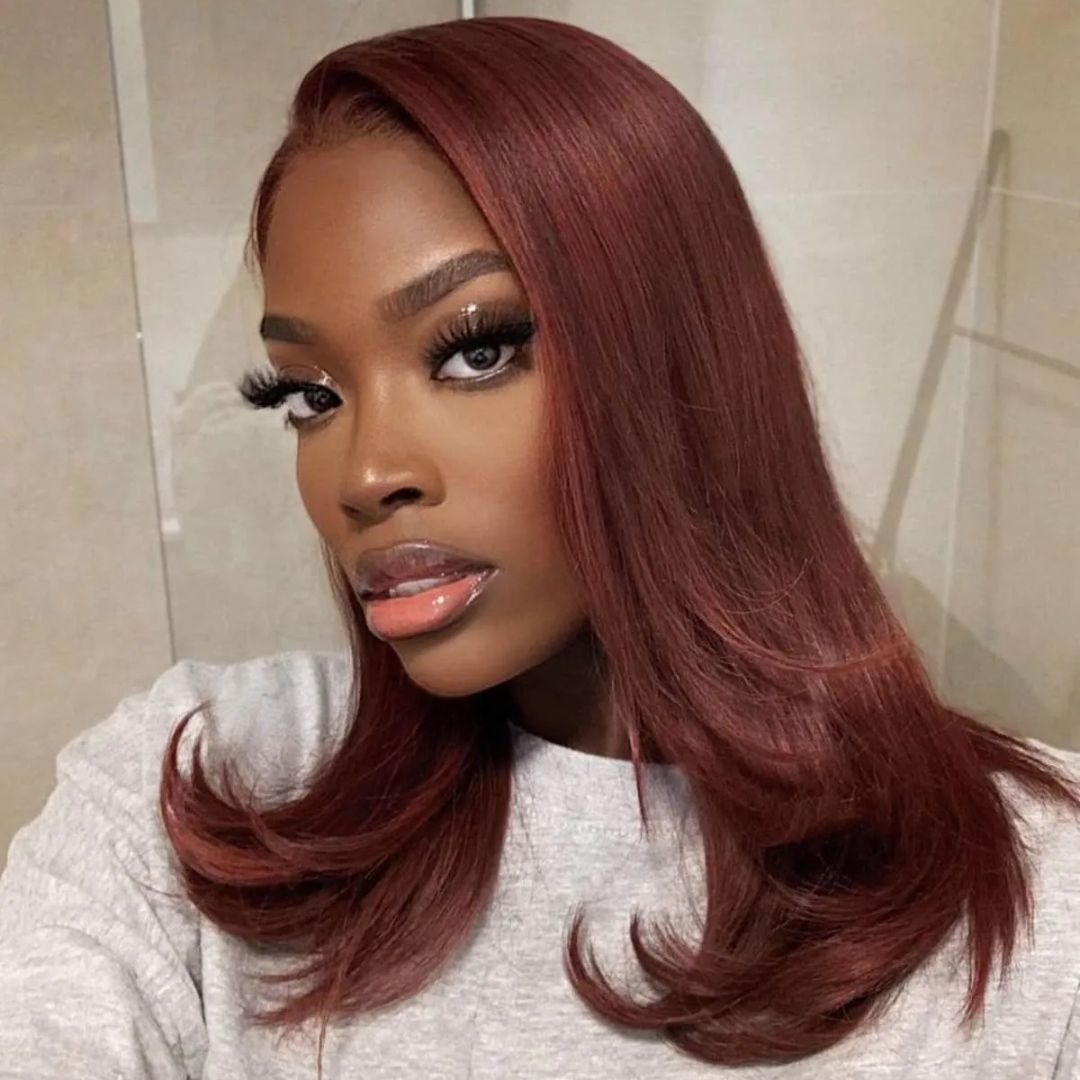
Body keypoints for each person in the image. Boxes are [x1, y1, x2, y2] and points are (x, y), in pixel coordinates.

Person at [1, 15, 1078, 1080]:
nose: (365, 474)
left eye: (475, 352)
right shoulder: (198, 785)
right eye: (312, 394)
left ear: (684, 359)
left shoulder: (1043, 906)